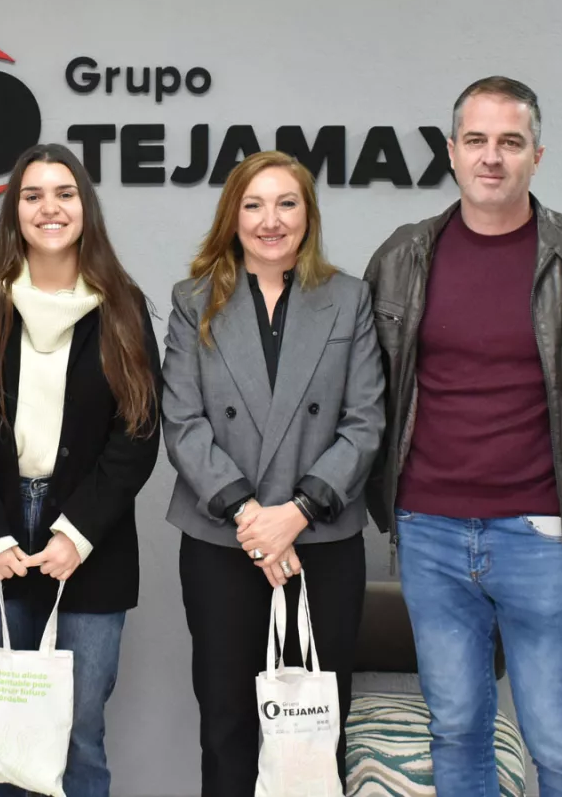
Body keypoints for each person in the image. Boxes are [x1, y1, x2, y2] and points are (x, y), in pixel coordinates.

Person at [363, 76, 562, 796]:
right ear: (451, 151)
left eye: (510, 142)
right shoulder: (403, 257)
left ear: (537, 155)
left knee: (559, 741)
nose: (491, 157)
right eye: (476, 140)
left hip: (545, 534)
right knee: (455, 728)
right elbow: (366, 386)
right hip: (429, 530)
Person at [0, 143, 161, 796]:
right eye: (33, 195)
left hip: (90, 543)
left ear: (86, 208)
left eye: (65, 193)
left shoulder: (122, 306)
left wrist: (77, 533)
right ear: (15, 210)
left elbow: (139, 432)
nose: (49, 208)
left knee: (79, 737)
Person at [163, 149, 384, 796]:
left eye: (287, 203)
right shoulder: (193, 301)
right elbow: (183, 421)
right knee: (226, 724)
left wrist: (296, 514)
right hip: (223, 541)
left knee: (316, 727)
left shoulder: (348, 298)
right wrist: (253, 519)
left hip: (321, 539)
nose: (271, 220)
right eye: (254, 204)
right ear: (232, 216)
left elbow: (366, 421)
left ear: (307, 214)